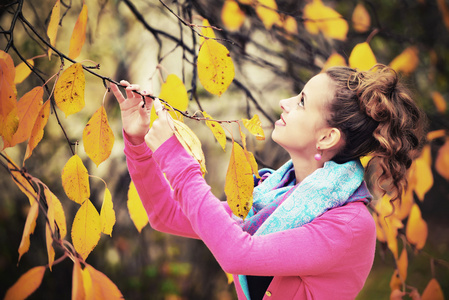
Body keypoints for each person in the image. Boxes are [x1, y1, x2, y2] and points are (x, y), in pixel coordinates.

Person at [111, 64, 425, 300]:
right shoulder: (273, 199)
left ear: (327, 137)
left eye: (302, 101)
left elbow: (237, 253)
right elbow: (166, 215)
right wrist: (138, 142)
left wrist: (176, 159)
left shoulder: (349, 226)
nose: (284, 103)